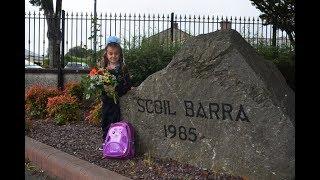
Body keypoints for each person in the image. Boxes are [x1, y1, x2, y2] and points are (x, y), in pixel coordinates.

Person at [98, 36, 132, 150]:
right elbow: (98, 84)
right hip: (106, 100)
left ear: (120, 54)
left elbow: (128, 84)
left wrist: (118, 88)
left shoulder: (122, 68)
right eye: (111, 53)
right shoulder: (103, 69)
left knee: (115, 121)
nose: (113, 56)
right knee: (105, 120)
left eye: (116, 53)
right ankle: (105, 142)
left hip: (117, 100)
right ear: (106, 54)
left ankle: (115, 143)